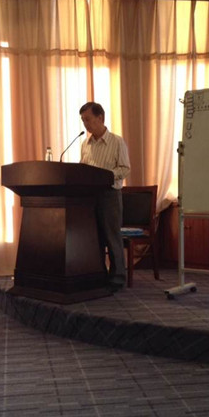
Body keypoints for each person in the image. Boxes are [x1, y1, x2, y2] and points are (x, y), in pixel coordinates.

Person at [79, 102, 131, 291]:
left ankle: (117, 278)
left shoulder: (117, 142)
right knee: (94, 238)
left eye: (88, 119)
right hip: (89, 197)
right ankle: (98, 274)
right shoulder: (85, 144)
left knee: (111, 236)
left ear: (100, 117)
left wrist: (105, 176)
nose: (85, 124)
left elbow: (125, 168)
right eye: (83, 120)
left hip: (109, 195)